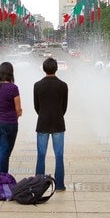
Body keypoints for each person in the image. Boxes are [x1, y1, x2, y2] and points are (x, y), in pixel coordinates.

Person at [33, 57, 69, 190]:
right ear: (56, 68)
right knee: (59, 155)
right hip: (58, 123)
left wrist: (43, 114)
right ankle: (59, 184)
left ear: (43, 69)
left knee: (41, 155)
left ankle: (38, 184)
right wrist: (57, 115)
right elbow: (64, 106)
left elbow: (36, 106)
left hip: (42, 122)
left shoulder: (37, 85)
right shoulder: (63, 85)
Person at [0, 62, 22, 175]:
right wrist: (16, 115)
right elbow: (18, 109)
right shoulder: (13, 88)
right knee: (4, 151)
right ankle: (3, 176)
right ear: (11, 73)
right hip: (8, 124)